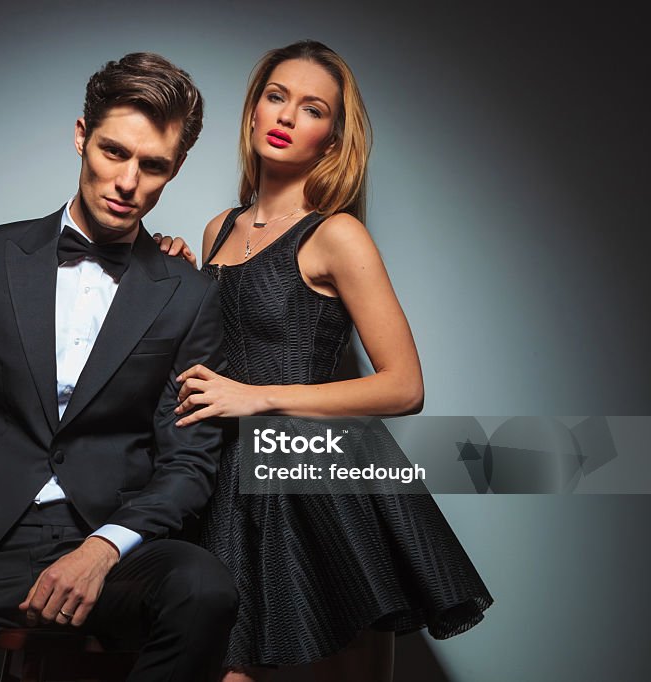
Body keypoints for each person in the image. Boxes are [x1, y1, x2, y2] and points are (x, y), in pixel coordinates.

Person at [0, 52, 238, 682]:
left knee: (204, 589)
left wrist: (103, 547)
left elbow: (189, 461)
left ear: (175, 169)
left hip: (111, 547)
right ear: (81, 135)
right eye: (114, 152)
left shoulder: (188, 293)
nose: (128, 183)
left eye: (153, 166)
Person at [161, 40, 494, 681]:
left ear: (332, 139)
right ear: (254, 110)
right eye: (276, 97)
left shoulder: (337, 234)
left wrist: (257, 397)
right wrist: (173, 276)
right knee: (225, 664)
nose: (286, 117)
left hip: (320, 475)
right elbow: (218, 341)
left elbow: (404, 387)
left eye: (312, 109)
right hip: (226, 475)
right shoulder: (216, 230)